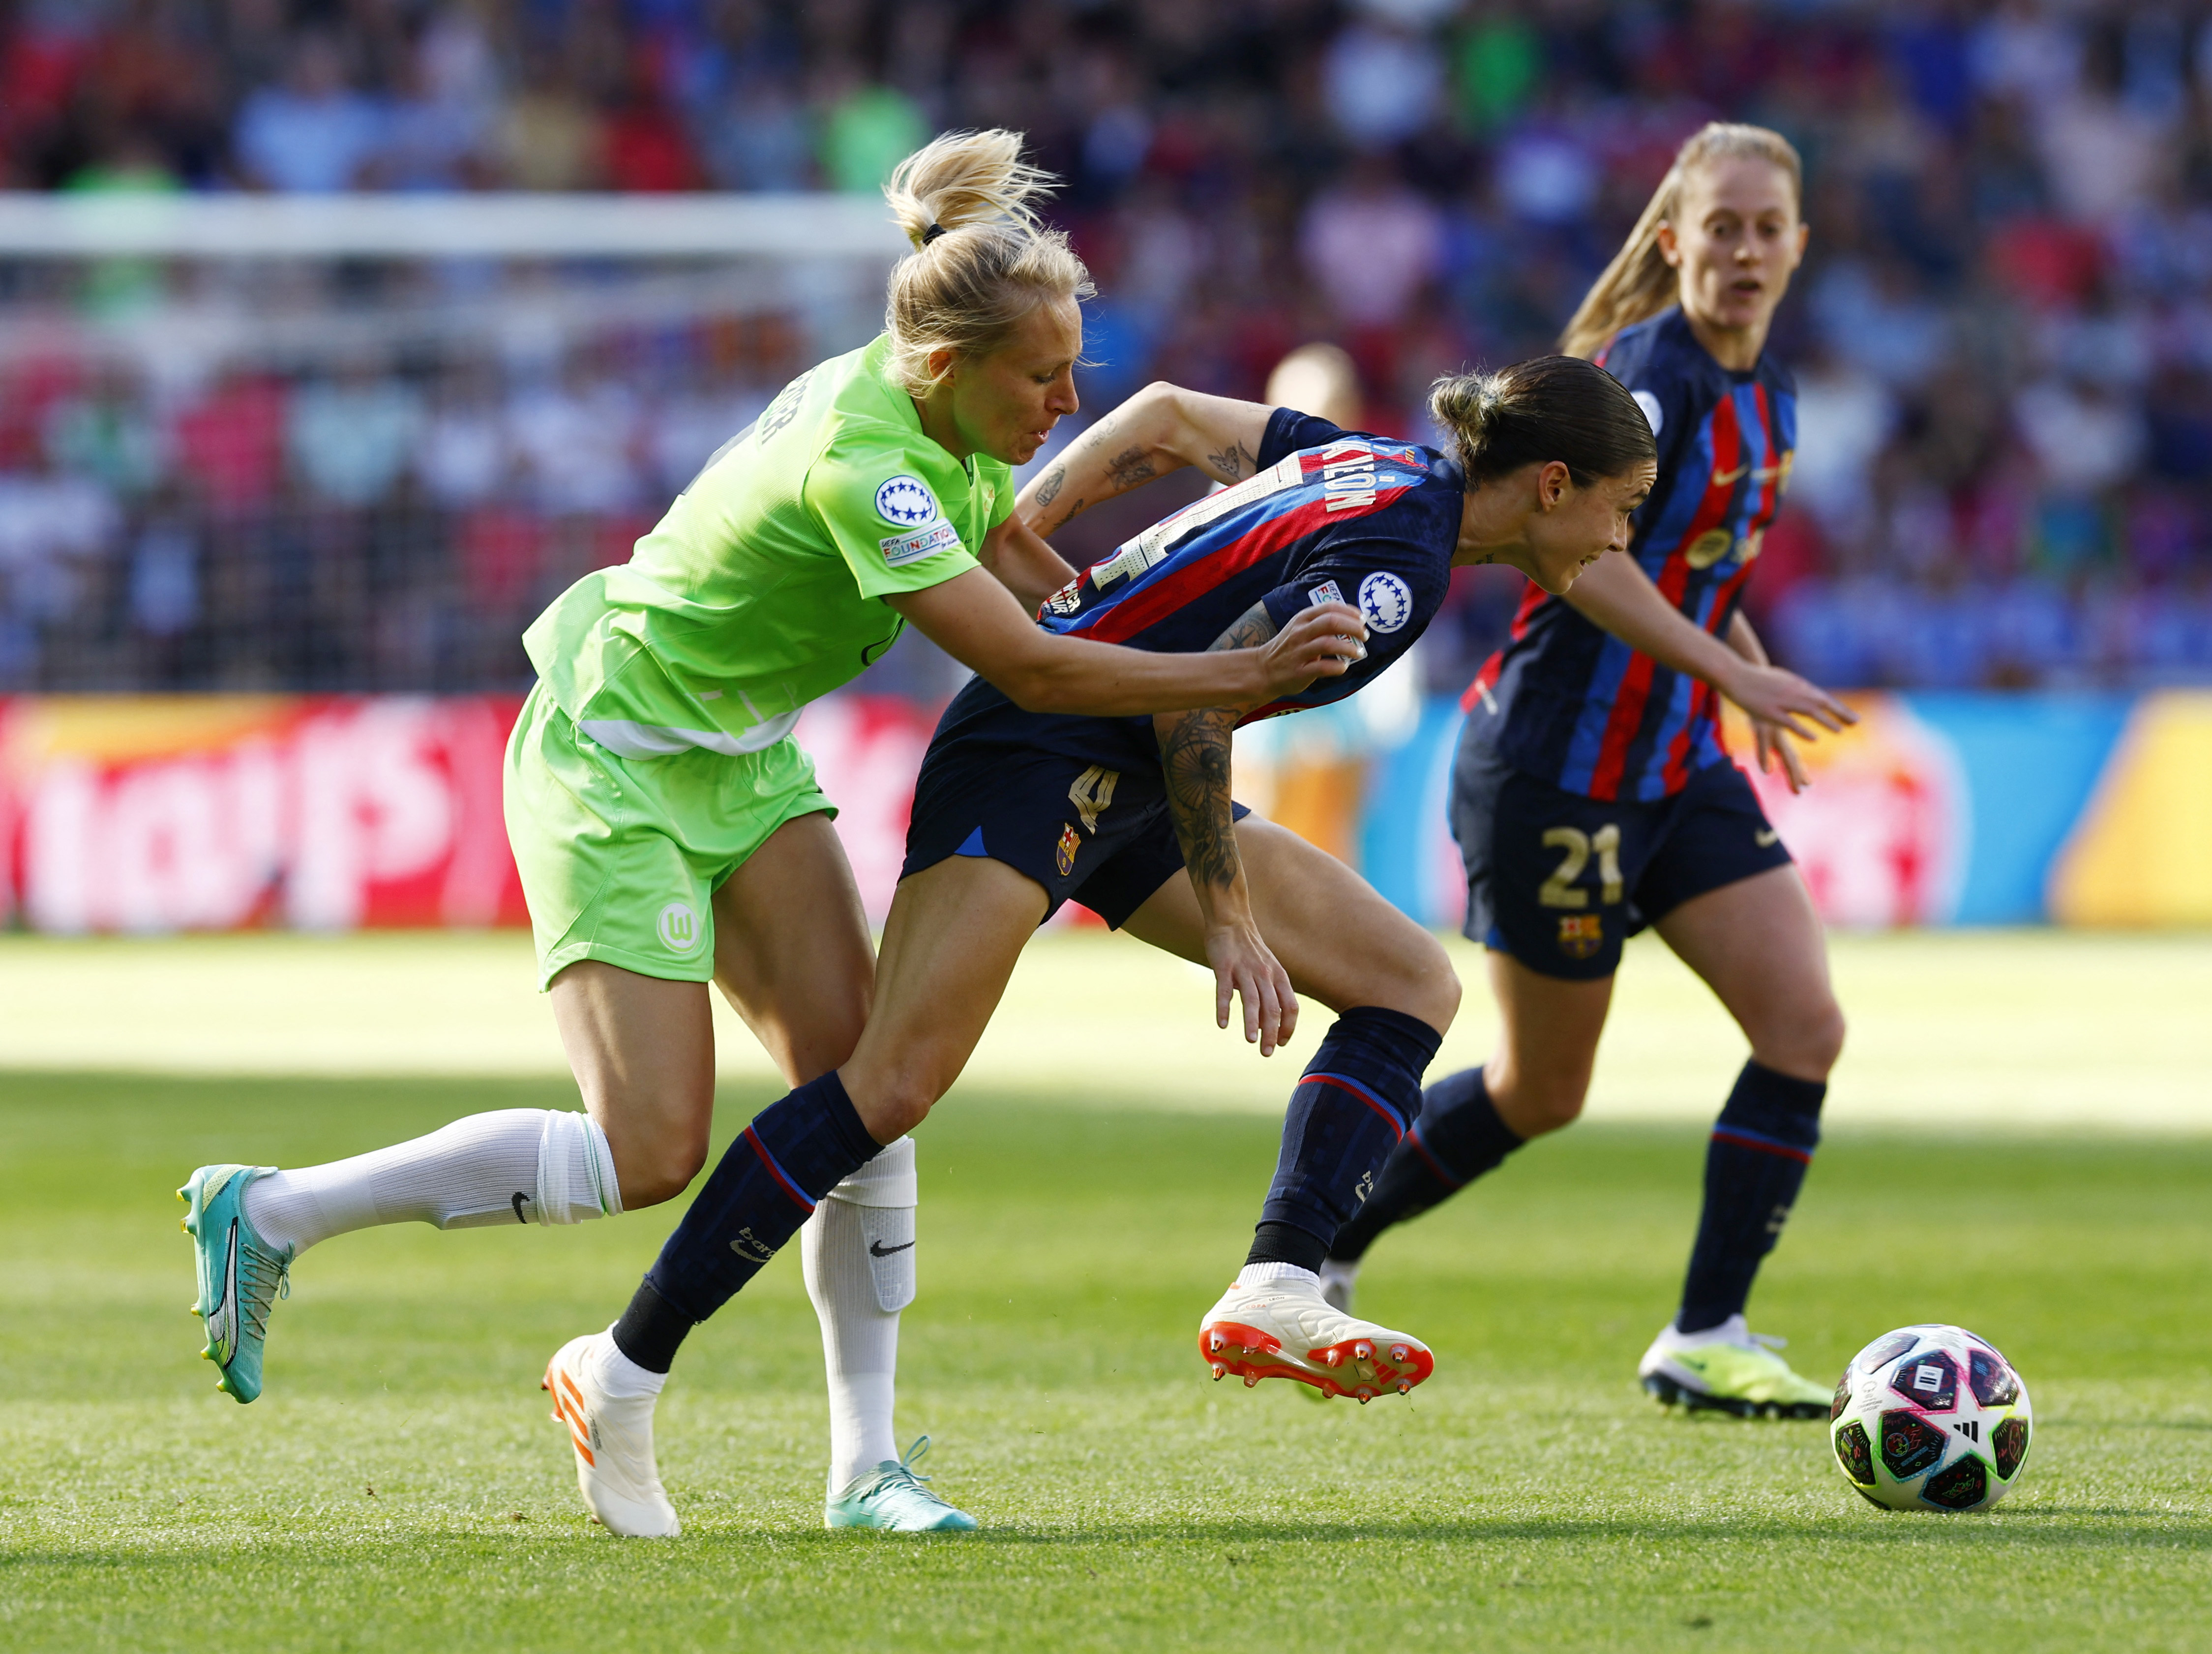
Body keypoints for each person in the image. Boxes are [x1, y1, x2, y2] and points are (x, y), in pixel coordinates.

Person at [175, 130, 1367, 1535]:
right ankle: (272, 1213)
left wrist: (1219, 607)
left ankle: (866, 1468)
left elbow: (1074, 610)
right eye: (1042, 376)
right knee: (648, 1150)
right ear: (948, 365)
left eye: (1074, 373)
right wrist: (1246, 673)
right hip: (611, 753)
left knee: (864, 1086)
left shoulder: (950, 431)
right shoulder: (874, 468)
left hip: (735, 756)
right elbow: (1039, 668)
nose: (1065, 404)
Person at [545, 354, 1660, 1535]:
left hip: (1125, 763)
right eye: (1621, 505)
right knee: (887, 1087)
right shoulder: (1398, 567)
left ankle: (1281, 1279)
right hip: (1036, 755)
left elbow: (1173, 418)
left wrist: (1035, 525)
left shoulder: (1364, 459)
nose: (1621, 535)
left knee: (1408, 981)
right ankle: (622, 1369)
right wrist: (1231, 919)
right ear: (1551, 485)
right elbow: (1194, 701)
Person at [1316, 122, 1860, 1420]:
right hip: (1557, 768)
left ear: (1797, 245)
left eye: (1763, 228)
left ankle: (1707, 1330)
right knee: (1541, 1090)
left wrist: (1746, 663)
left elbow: (1694, 570)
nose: (1741, 249)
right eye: (1717, 226)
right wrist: (1734, 675)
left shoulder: (1774, 397)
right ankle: (1317, 1245)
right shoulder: (1640, 381)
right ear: (1672, 240)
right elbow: (1586, 561)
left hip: (1674, 769)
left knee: (1805, 1026)